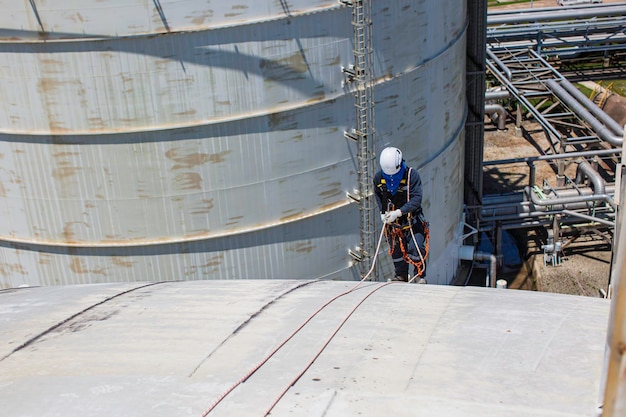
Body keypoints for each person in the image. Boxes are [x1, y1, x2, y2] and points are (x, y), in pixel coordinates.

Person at [373, 147, 428, 282]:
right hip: (394, 225)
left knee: (416, 248)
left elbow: (416, 199)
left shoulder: (411, 176)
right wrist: (383, 212)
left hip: (412, 221)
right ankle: (401, 276)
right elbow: (378, 195)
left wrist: (399, 212)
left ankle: (419, 277)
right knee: (396, 251)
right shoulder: (379, 178)